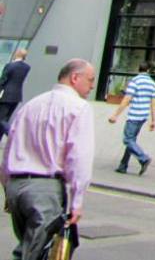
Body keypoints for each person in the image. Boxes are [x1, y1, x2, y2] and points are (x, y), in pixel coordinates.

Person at [0, 59, 95, 260]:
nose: (92, 86)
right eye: (90, 80)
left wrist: (7, 187)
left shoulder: (31, 105)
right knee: (35, 253)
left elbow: (9, 148)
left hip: (17, 187)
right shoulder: (78, 108)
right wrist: (77, 201)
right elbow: (78, 159)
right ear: (75, 77)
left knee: (27, 247)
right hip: (45, 190)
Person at [108, 62, 155, 175]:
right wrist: (153, 121)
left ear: (139, 69)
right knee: (132, 140)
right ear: (148, 70)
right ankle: (123, 166)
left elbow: (127, 99)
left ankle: (144, 158)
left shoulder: (135, 81)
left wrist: (115, 115)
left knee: (127, 140)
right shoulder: (153, 84)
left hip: (134, 115)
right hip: (143, 116)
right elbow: (153, 104)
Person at [0, 49, 30, 142]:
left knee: (1, 120)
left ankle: (13, 135)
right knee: (5, 120)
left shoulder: (10, 66)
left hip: (6, 96)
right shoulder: (26, 67)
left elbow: (3, 80)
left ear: (16, 54)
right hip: (17, 96)